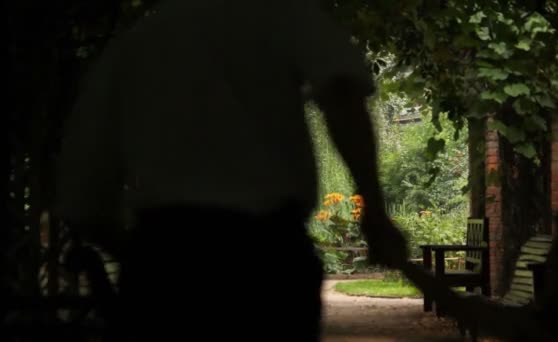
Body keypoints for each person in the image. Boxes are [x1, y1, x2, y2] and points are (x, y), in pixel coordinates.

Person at [54, 0, 409, 340]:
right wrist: (374, 214)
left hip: (164, 263)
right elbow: (341, 92)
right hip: (266, 265)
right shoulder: (282, 16)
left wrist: (149, 261)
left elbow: (82, 195)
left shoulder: (137, 44)